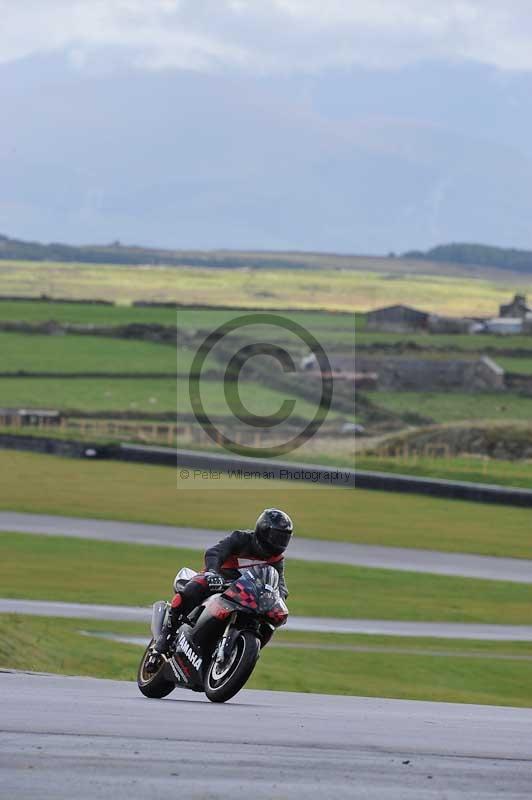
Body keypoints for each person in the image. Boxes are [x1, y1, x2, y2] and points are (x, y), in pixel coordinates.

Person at [153, 508, 293, 656]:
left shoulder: (276, 560)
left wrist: (278, 599)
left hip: (245, 593)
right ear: (263, 531)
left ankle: (244, 653)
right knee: (197, 586)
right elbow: (215, 552)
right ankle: (167, 634)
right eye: (276, 537)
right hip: (220, 581)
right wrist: (213, 572)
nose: (279, 543)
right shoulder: (242, 539)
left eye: (283, 538)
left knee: (269, 622)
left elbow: (280, 586)